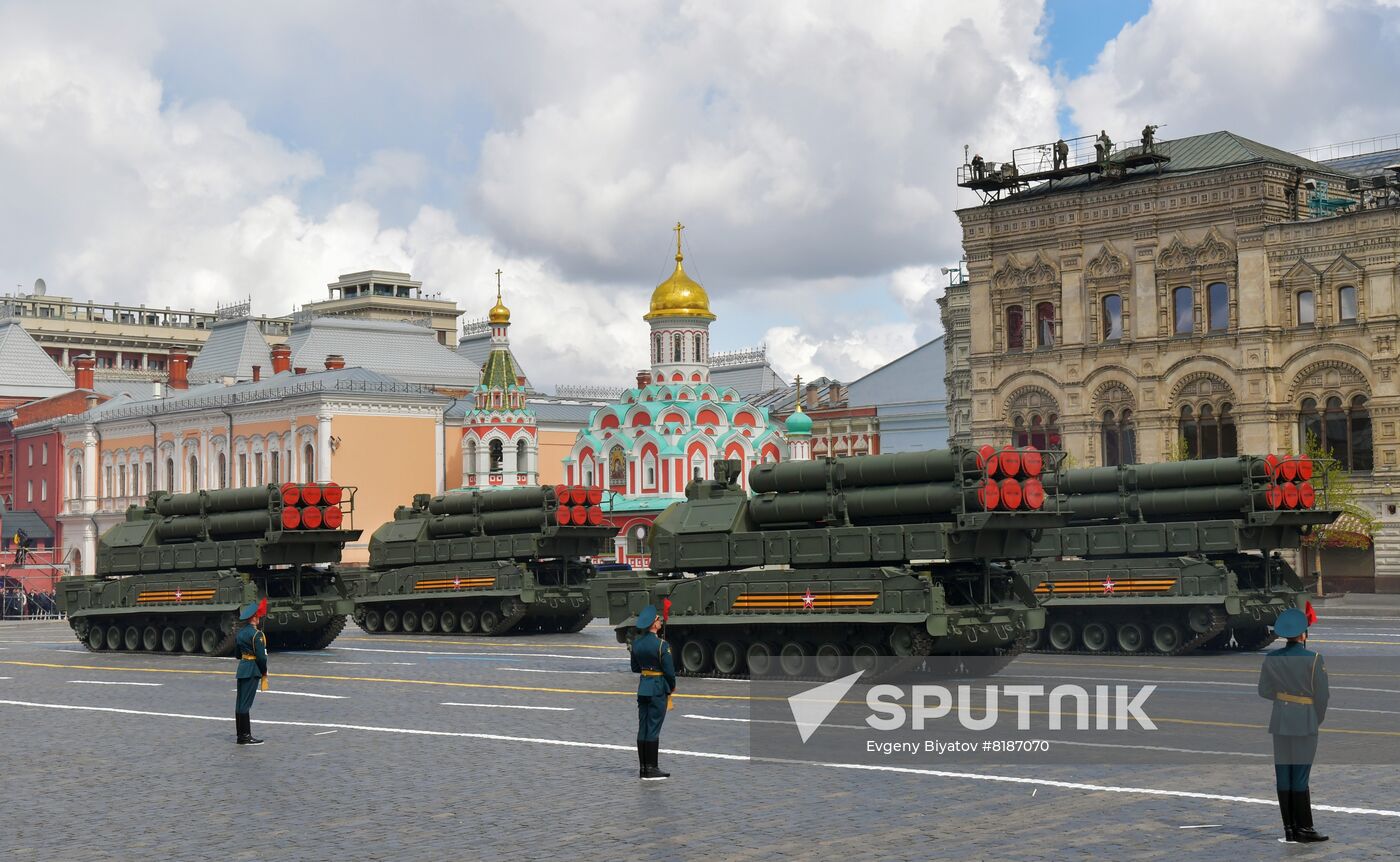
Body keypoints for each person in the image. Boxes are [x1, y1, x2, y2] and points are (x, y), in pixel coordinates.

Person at [1257, 607, 1329, 843]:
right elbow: (1322, 697)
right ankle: (1305, 829)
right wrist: (1313, 718)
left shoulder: (1271, 658)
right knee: (1300, 777)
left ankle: (1289, 828)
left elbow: (1264, 691)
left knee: (1284, 776)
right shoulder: (1314, 658)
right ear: (1303, 634)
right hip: (1305, 721)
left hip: (1279, 721)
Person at [630, 604, 676, 780]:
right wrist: (671, 686)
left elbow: (635, 668)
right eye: (658, 619)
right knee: (654, 728)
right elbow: (670, 672)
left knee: (643, 727)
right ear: (654, 624)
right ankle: (652, 768)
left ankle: (643, 768)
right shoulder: (662, 645)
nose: (660, 621)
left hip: (643, 687)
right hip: (658, 687)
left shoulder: (637, 644)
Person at [235, 598, 269, 746]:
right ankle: (245, 736)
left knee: (240, 703)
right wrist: (264, 672)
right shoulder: (257, 635)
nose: (259, 618)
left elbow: (237, 654)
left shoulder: (241, 633)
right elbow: (261, 657)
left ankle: (240, 735)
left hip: (242, 669)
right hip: (252, 670)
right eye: (258, 616)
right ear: (254, 617)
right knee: (246, 704)